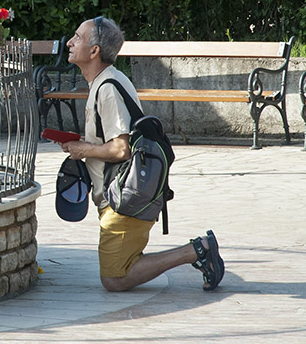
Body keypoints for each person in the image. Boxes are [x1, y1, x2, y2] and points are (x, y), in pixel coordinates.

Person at [60, 16, 225, 292]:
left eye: (77, 37)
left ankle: (197, 250)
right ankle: (198, 249)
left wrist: (84, 150)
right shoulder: (106, 81)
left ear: (94, 51)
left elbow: (120, 148)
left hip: (124, 195)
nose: (69, 42)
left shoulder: (107, 88)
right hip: (124, 191)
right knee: (116, 273)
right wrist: (81, 145)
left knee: (115, 279)